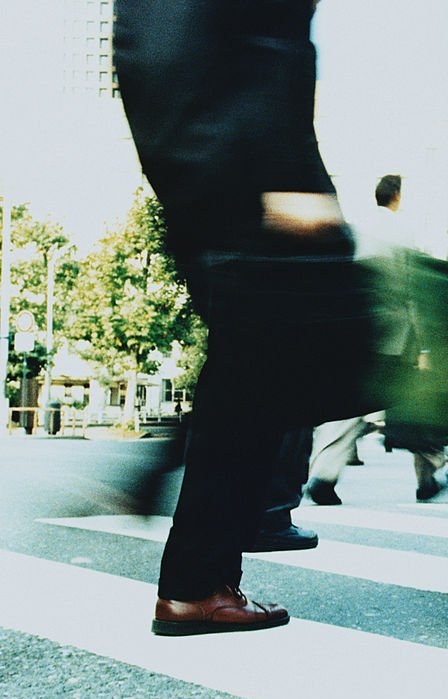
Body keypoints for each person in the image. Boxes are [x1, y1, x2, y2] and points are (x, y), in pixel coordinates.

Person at [114, 0, 400, 635]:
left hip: (188, 152)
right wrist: (286, 172)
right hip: (251, 161)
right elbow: (270, 44)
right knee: (281, 365)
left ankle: (199, 566)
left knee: (253, 362)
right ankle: (195, 578)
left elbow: (150, 45)